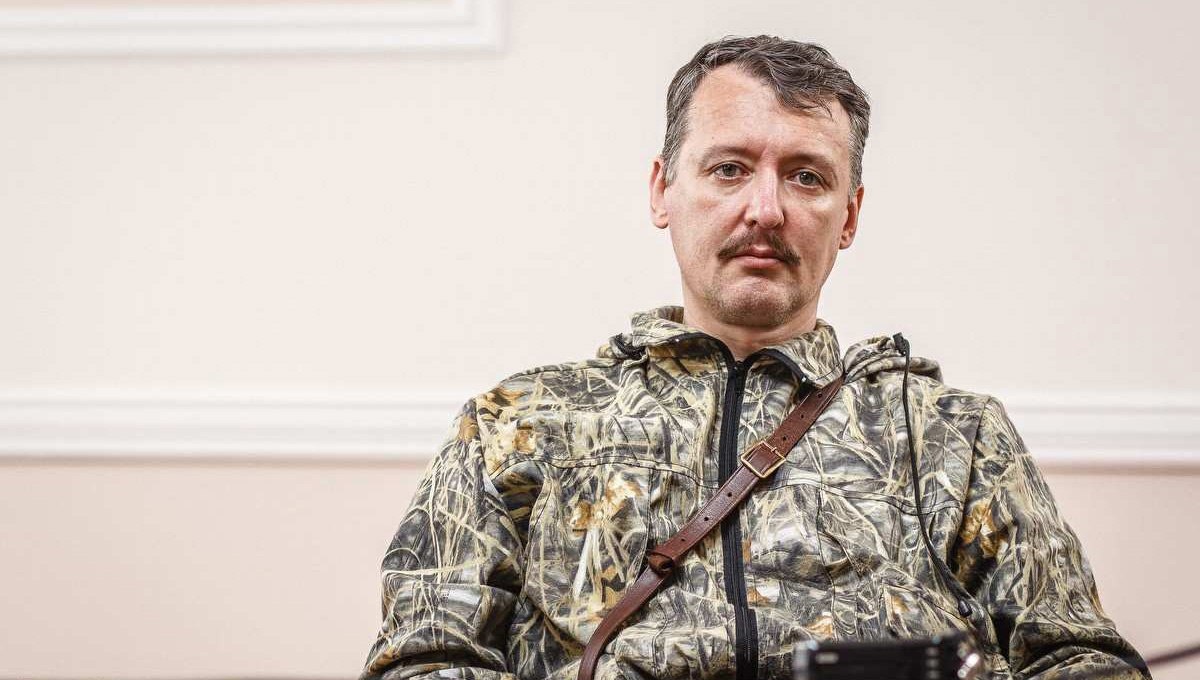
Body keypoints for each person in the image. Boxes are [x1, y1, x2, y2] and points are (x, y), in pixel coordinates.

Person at [361, 36, 1148, 680]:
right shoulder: (518, 423)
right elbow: (422, 662)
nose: (765, 209)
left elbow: (1081, 660)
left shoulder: (954, 435)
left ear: (849, 216)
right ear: (663, 190)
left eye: (806, 177)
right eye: (730, 168)